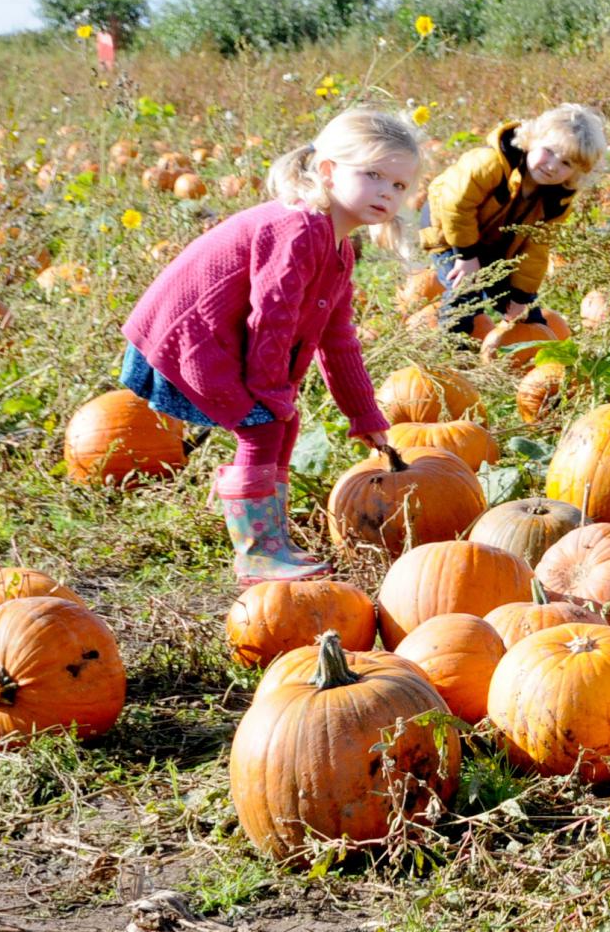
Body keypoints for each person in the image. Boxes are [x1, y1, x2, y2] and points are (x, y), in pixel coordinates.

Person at [121, 109, 424, 583]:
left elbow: (337, 340)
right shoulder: (300, 229)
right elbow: (273, 318)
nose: (387, 192)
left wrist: (364, 414)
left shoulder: (339, 249)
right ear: (327, 170)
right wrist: (270, 390)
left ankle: (271, 539)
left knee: (280, 421)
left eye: (400, 186)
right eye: (373, 175)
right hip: (190, 335)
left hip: (220, 337)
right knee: (263, 425)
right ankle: (257, 553)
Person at [420, 103, 607, 335]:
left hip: (491, 238)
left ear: (577, 172)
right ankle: (450, 354)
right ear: (531, 140)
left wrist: (521, 297)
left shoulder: (556, 202)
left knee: (526, 312)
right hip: (447, 227)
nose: (551, 166)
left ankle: (532, 351)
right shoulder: (489, 164)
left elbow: (535, 249)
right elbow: (456, 205)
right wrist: (466, 256)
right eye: (548, 151)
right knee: (465, 290)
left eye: (566, 163)